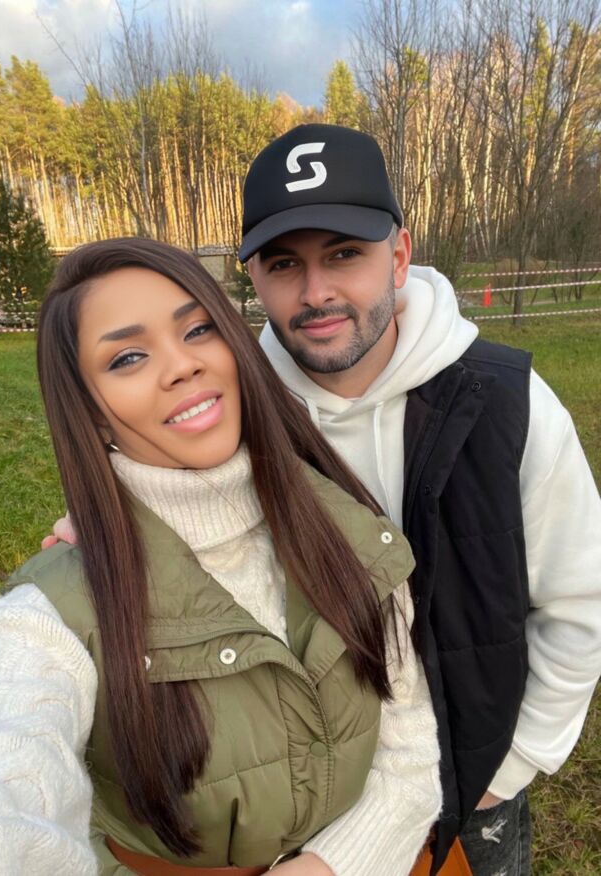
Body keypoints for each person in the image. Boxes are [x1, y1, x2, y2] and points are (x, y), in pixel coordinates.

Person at [0, 238, 443, 876]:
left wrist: (328, 867)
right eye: (128, 357)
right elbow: (1, 800)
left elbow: (409, 757)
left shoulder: (350, 533)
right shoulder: (39, 623)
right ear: (91, 413)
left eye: (197, 329)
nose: (182, 365)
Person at [238, 124, 601, 875]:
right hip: (307, 808)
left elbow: (582, 600)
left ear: (399, 255)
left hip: (472, 796)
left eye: (344, 254)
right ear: (255, 279)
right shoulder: (233, 418)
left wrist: (506, 769)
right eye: (284, 264)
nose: (316, 293)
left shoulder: (507, 405)